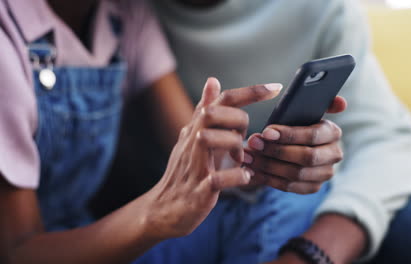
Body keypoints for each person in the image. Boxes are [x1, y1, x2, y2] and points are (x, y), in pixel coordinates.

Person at [0, 0, 347, 263]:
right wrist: (156, 215)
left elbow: (204, 156)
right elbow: (17, 252)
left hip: (94, 231)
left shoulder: (125, 15)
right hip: (48, 249)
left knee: (288, 199)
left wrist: (272, 161)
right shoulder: (8, 38)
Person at [130, 0, 411, 263]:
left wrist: (311, 254)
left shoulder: (321, 8)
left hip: (307, 197)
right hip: (185, 201)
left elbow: (383, 138)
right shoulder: (127, 15)